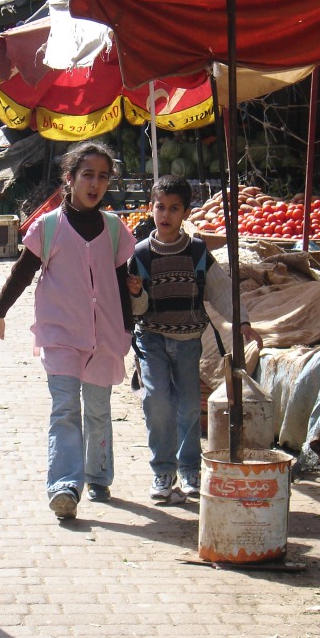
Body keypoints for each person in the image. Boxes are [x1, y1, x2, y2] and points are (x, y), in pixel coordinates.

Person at [0, 142, 136, 520]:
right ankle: (64, 486)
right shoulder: (49, 226)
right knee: (66, 410)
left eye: (103, 176)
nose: (95, 183)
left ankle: (99, 473)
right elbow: (22, 272)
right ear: (69, 179)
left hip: (103, 337)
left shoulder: (115, 229)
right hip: (60, 335)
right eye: (87, 174)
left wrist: (127, 330)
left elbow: (120, 281)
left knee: (99, 410)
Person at [128, 175, 263, 500]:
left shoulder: (198, 252)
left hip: (189, 340)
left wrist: (242, 321)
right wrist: (137, 292)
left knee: (188, 407)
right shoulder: (141, 254)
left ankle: (189, 471)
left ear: (186, 213)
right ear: (151, 208)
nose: (166, 214)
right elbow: (137, 307)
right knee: (157, 401)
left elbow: (219, 290)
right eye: (160, 207)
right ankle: (163, 472)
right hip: (152, 340)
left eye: (174, 208)